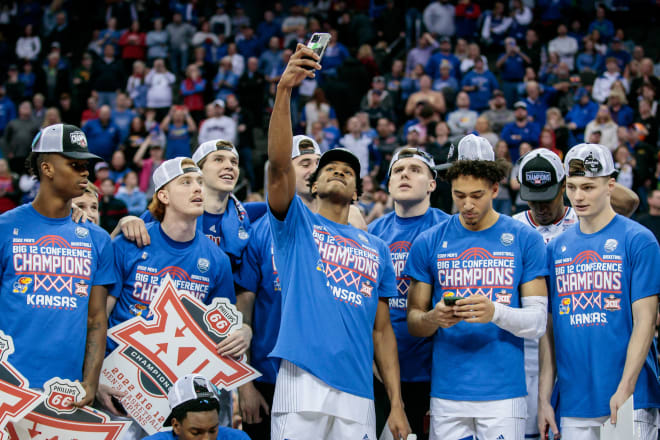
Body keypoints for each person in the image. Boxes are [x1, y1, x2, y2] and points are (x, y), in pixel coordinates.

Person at [266, 43, 410, 440]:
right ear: (310, 184)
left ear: (358, 193)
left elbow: (382, 331)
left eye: (349, 171)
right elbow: (279, 166)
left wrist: (395, 404)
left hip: (359, 389)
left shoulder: (376, 248)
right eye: (330, 168)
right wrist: (284, 91)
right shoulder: (295, 224)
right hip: (303, 379)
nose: (340, 172)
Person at [405, 139, 549, 440]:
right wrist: (434, 318)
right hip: (446, 392)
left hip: (504, 393)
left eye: (477, 195)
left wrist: (495, 312)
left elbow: (537, 323)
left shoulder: (525, 239)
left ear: (495, 190)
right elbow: (415, 323)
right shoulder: (429, 241)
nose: (467, 204)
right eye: (459, 195)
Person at [101, 157, 238, 425]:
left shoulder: (217, 259)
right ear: (162, 195)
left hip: (180, 389)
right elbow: (96, 318)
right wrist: (94, 375)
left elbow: (224, 329)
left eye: (200, 182)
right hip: (120, 383)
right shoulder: (130, 245)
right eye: (186, 182)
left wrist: (244, 332)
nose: (197, 188)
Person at [538, 143, 660, 440]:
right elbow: (550, 331)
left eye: (589, 187)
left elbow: (645, 321)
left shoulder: (639, 240)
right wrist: (543, 399)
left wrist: (626, 388)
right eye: (573, 187)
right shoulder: (555, 249)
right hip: (572, 401)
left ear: (610, 185)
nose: (579, 197)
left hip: (629, 398)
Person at [0, 124, 115, 405]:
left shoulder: (97, 239)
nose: (85, 172)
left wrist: (90, 382)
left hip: (66, 390)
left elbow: (97, 319)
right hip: (7, 385)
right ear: (47, 168)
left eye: (86, 165)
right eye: (75, 164)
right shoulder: (5, 228)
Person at [236, 135, 323, 439]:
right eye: (304, 163)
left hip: (324, 378)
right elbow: (243, 309)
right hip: (268, 376)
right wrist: (245, 384)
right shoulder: (261, 231)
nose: (314, 169)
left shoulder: (343, 231)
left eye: (317, 163)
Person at [368, 147, 449, 440]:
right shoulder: (371, 234)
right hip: (381, 373)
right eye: (398, 170)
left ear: (432, 184)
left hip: (435, 372)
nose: (405, 174)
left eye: (415, 170)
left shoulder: (448, 229)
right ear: (388, 184)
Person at [142, 374, 250, 440]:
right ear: (176, 426)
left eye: (213, 430)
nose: (206, 439)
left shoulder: (238, 438)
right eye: (196, 433)